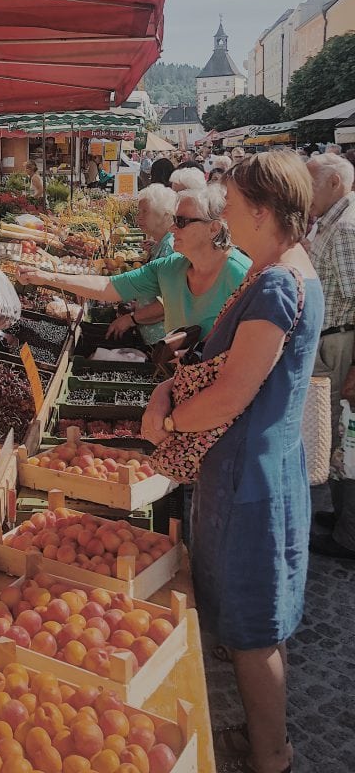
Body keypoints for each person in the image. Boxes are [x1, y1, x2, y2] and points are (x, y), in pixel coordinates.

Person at [142, 152, 322, 773]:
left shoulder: (275, 283)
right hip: (254, 469)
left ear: (263, 212)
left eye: (235, 206)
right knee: (251, 624)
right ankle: (264, 740)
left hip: (251, 478)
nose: (226, 217)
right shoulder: (284, 268)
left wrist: (165, 421)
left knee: (252, 631)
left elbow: (232, 394)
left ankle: (273, 755)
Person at [19, 185, 250, 339]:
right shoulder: (171, 267)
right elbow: (108, 287)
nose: (172, 227)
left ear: (213, 228)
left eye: (181, 221)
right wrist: (48, 277)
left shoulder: (243, 276)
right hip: (178, 380)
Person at [305, 153, 355, 560]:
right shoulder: (331, 220)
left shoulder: (345, 227)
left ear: (335, 183)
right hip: (330, 338)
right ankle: (340, 515)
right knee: (336, 429)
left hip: (338, 342)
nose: (306, 193)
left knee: (341, 432)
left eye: (312, 184)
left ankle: (347, 533)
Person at [106, 184, 176, 344]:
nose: (139, 217)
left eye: (145, 211)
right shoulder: (162, 244)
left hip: (162, 341)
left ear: (166, 214)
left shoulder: (171, 247)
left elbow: (168, 303)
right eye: (139, 211)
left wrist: (132, 319)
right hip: (151, 336)